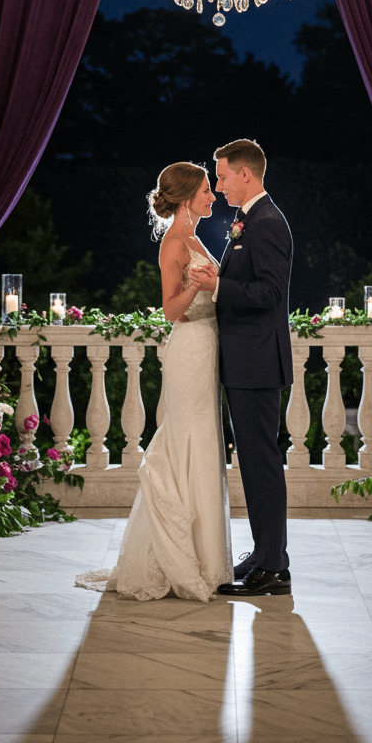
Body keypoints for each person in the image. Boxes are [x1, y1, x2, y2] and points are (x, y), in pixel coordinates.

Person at [76, 161, 233, 601]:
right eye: (206, 190)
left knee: (202, 440)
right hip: (189, 347)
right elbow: (170, 310)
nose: (212, 196)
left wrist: (215, 285)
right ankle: (178, 558)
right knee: (187, 437)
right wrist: (201, 288)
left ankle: (205, 556)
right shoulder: (173, 244)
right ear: (186, 198)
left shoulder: (193, 236)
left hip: (206, 347)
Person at [189, 138, 293, 596]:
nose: (218, 185)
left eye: (223, 176)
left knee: (261, 463)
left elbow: (269, 295)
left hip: (257, 363)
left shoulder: (267, 223)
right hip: (246, 361)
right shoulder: (249, 220)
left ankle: (274, 567)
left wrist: (218, 287)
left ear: (245, 174)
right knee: (252, 462)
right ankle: (263, 554)